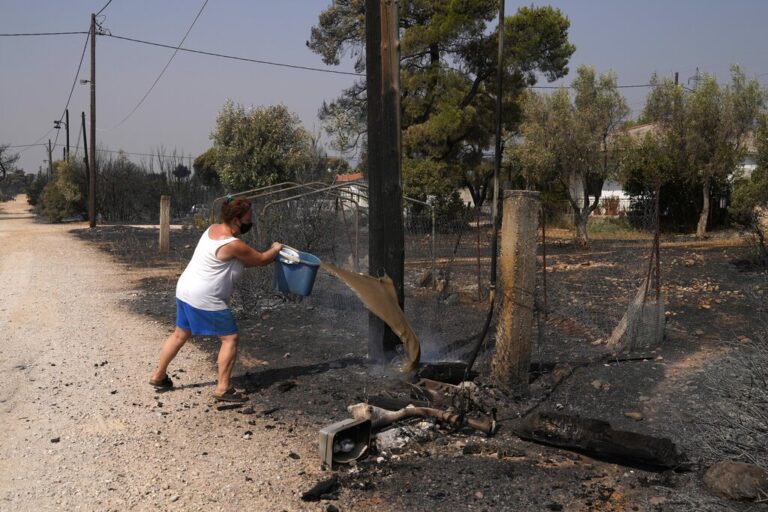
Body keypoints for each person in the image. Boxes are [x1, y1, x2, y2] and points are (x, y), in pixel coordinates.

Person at [149, 197, 282, 402]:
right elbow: (262, 259)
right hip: (204, 296)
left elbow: (227, 263)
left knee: (179, 334)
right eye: (248, 217)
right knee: (230, 338)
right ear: (237, 220)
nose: (251, 221)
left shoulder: (212, 229)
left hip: (185, 289)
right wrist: (275, 248)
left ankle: (159, 376)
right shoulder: (234, 244)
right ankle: (222, 389)